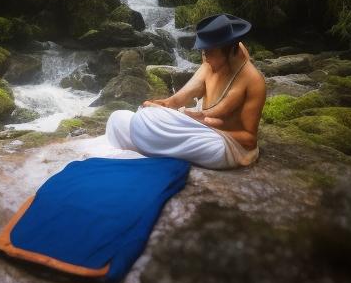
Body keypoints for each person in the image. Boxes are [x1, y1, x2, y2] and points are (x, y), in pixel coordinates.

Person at [105, 13, 266, 169]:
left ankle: (152, 140)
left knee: (145, 122)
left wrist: (205, 125)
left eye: (209, 51)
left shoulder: (253, 81)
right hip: (198, 129)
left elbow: (249, 140)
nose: (205, 56)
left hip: (225, 145)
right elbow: (174, 101)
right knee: (117, 119)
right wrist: (160, 105)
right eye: (203, 51)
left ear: (231, 50)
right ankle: (153, 139)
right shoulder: (209, 64)